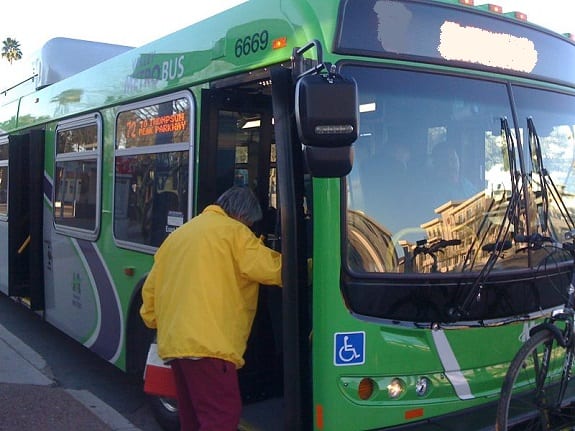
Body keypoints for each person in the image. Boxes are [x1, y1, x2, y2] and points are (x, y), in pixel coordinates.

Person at [140, 186, 282, 431]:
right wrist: (313, 264)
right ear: (241, 216)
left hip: (175, 346)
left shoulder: (178, 236)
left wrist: (166, 326)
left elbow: (149, 300)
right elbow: (274, 270)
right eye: (249, 223)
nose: (249, 227)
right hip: (210, 348)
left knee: (192, 418)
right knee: (222, 417)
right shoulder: (234, 233)